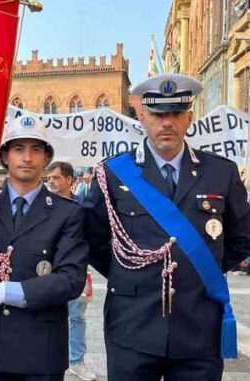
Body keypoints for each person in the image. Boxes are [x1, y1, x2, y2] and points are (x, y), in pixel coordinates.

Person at [84, 73, 250, 381]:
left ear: (189, 118)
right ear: (143, 117)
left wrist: (198, 271)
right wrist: (135, 272)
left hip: (198, 326)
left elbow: (242, 238)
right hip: (132, 324)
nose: (167, 123)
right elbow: (94, 241)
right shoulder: (114, 173)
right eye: (159, 114)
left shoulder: (221, 173)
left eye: (175, 114)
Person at [0, 115, 89, 381]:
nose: (27, 158)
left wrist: (7, 291)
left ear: (46, 158)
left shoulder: (67, 213)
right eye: (18, 149)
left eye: (36, 149)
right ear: (5, 156)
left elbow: (71, 280)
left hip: (41, 351)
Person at [46, 161, 97, 381]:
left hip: (75, 271)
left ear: (69, 180)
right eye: (49, 178)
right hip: (46, 273)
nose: (51, 182)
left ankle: (76, 361)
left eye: (56, 178)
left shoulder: (82, 208)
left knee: (76, 316)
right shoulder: (43, 205)